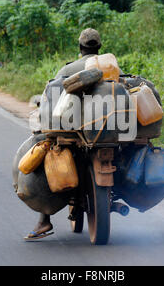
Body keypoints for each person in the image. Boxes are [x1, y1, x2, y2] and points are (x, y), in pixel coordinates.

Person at [24, 28, 102, 241]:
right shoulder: (109, 66)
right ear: (99, 47)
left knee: (45, 155)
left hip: (73, 132)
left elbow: (50, 96)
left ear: (80, 48)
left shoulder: (68, 69)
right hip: (106, 132)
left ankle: (43, 221)